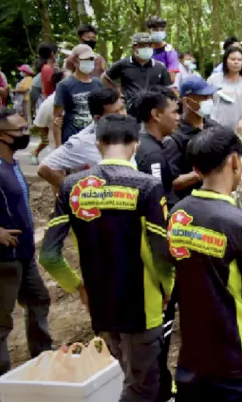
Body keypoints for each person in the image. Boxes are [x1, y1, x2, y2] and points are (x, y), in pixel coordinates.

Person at [39, 114, 173, 402]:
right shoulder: (147, 186)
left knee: (126, 377)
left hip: (100, 304)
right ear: (136, 144)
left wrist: (79, 287)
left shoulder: (72, 186)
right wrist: (168, 288)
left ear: (98, 144)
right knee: (142, 388)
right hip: (143, 306)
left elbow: (48, 256)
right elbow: (161, 254)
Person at [168, 126, 242, 401]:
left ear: (196, 169)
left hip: (193, 357)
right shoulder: (240, 224)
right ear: (235, 161)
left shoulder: (177, 214)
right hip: (237, 359)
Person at [0, 109, 53, 378]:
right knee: (1, 319)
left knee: (38, 298)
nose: (25, 134)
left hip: (23, 253)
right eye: (20, 131)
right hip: (4, 258)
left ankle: (43, 357)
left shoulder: (12, 164)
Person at [38, 88, 127, 188]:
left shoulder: (127, 130)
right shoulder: (82, 141)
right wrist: (76, 192)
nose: (123, 115)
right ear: (98, 118)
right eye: (115, 113)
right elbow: (45, 168)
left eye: (122, 108)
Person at [164, 77, 220, 201]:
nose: (209, 101)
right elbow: (172, 183)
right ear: (187, 101)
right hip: (189, 203)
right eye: (204, 97)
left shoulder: (214, 127)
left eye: (210, 97)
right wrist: (202, 173)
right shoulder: (175, 137)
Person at [134, 87, 181, 208]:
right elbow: (157, 200)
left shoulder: (139, 141)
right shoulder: (153, 156)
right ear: (156, 115)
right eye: (174, 112)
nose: (178, 118)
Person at [103, 33, 173, 109]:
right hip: (130, 108)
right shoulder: (123, 64)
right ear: (134, 48)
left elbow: (168, 89)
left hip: (153, 108)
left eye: (149, 45)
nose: (146, 48)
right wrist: (117, 91)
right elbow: (104, 78)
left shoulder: (160, 67)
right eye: (142, 46)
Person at [54, 45, 104, 147]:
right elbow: (57, 119)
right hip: (72, 139)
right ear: (75, 61)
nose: (89, 62)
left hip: (94, 139)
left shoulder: (98, 83)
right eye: (85, 59)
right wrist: (58, 147)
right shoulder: (64, 85)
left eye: (91, 59)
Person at [207, 46, 242, 134]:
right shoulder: (214, 79)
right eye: (233, 59)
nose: (236, 62)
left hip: (239, 128)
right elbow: (206, 99)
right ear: (225, 61)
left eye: (239, 60)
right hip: (216, 126)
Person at [30, 69, 69, 165]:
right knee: (46, 140)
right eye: (69, 79)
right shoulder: (50, 102)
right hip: (54, 138)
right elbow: (40, 123)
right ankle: (34, 153)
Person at [146, 16, 180, 82]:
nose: (159, 32)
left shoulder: (170, 52)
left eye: (161, 30)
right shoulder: (144, 50)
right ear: (149, 31)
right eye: (155, 30)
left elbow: (171, 79)